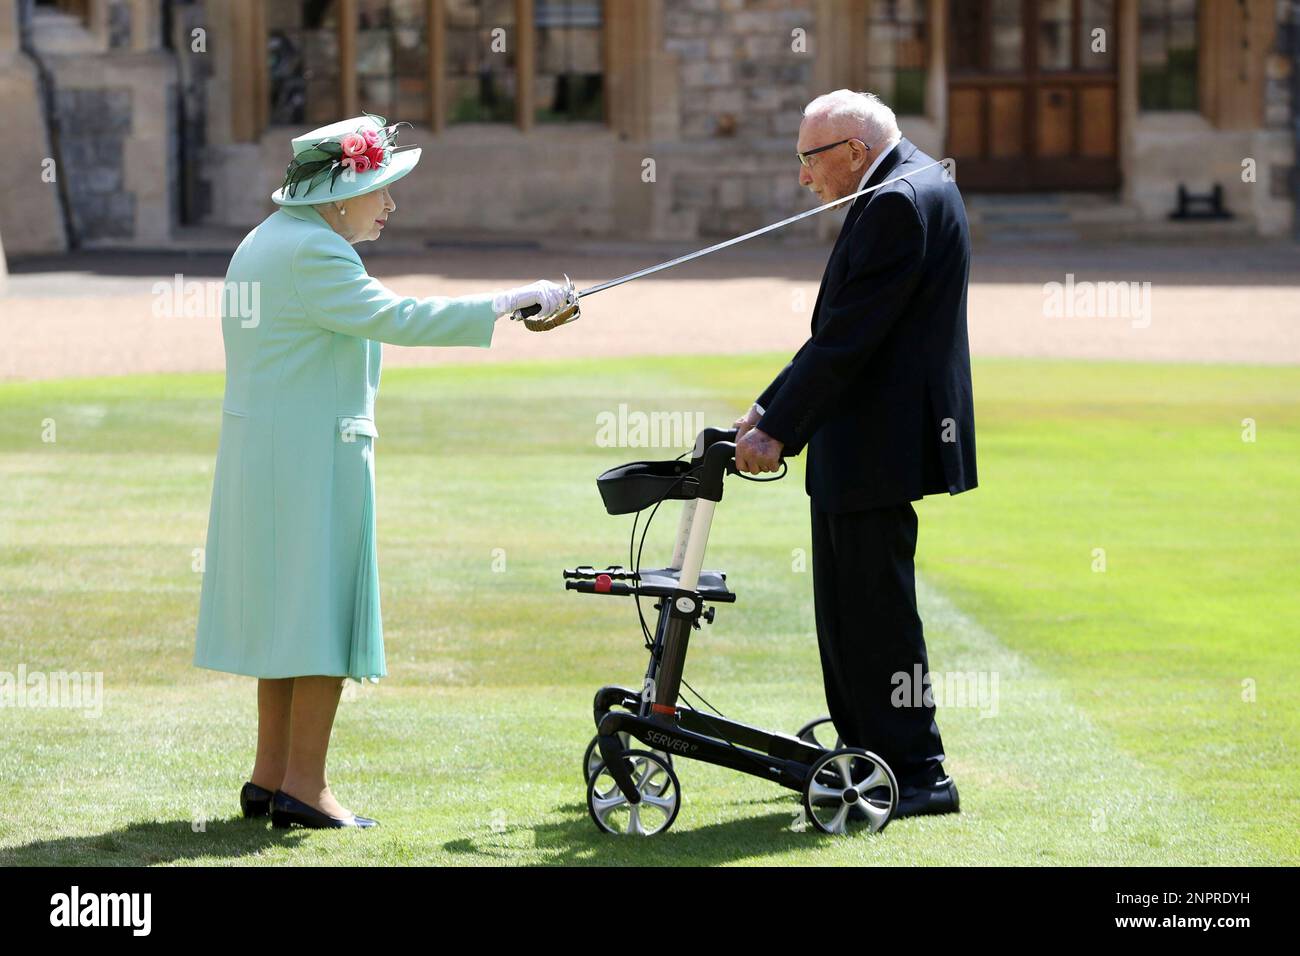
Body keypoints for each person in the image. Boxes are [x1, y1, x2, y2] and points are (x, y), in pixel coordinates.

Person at [192, 114, 574, 829]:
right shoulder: (315, 253)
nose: (389, 205)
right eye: (380, 188)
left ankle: (270, 776)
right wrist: (508, 302)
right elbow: (397, 317)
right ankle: (303, 787)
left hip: (270, 459)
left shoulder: (266, 240)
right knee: (323, 619)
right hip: (310, 460)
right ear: (338, 195)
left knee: (287, 621)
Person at [733, 90, 977, 820]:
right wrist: (768, 406)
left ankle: (917, 771)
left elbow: (849, 338)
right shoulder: (910, 184)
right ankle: (867, 745)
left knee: (874, 611)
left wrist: (776, 426)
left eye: (809, 160)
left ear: (853, 154)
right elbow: (844, 330)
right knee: (848, 607)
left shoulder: (897, 202)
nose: (804, 178)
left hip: (878, 439)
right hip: (867, 436)